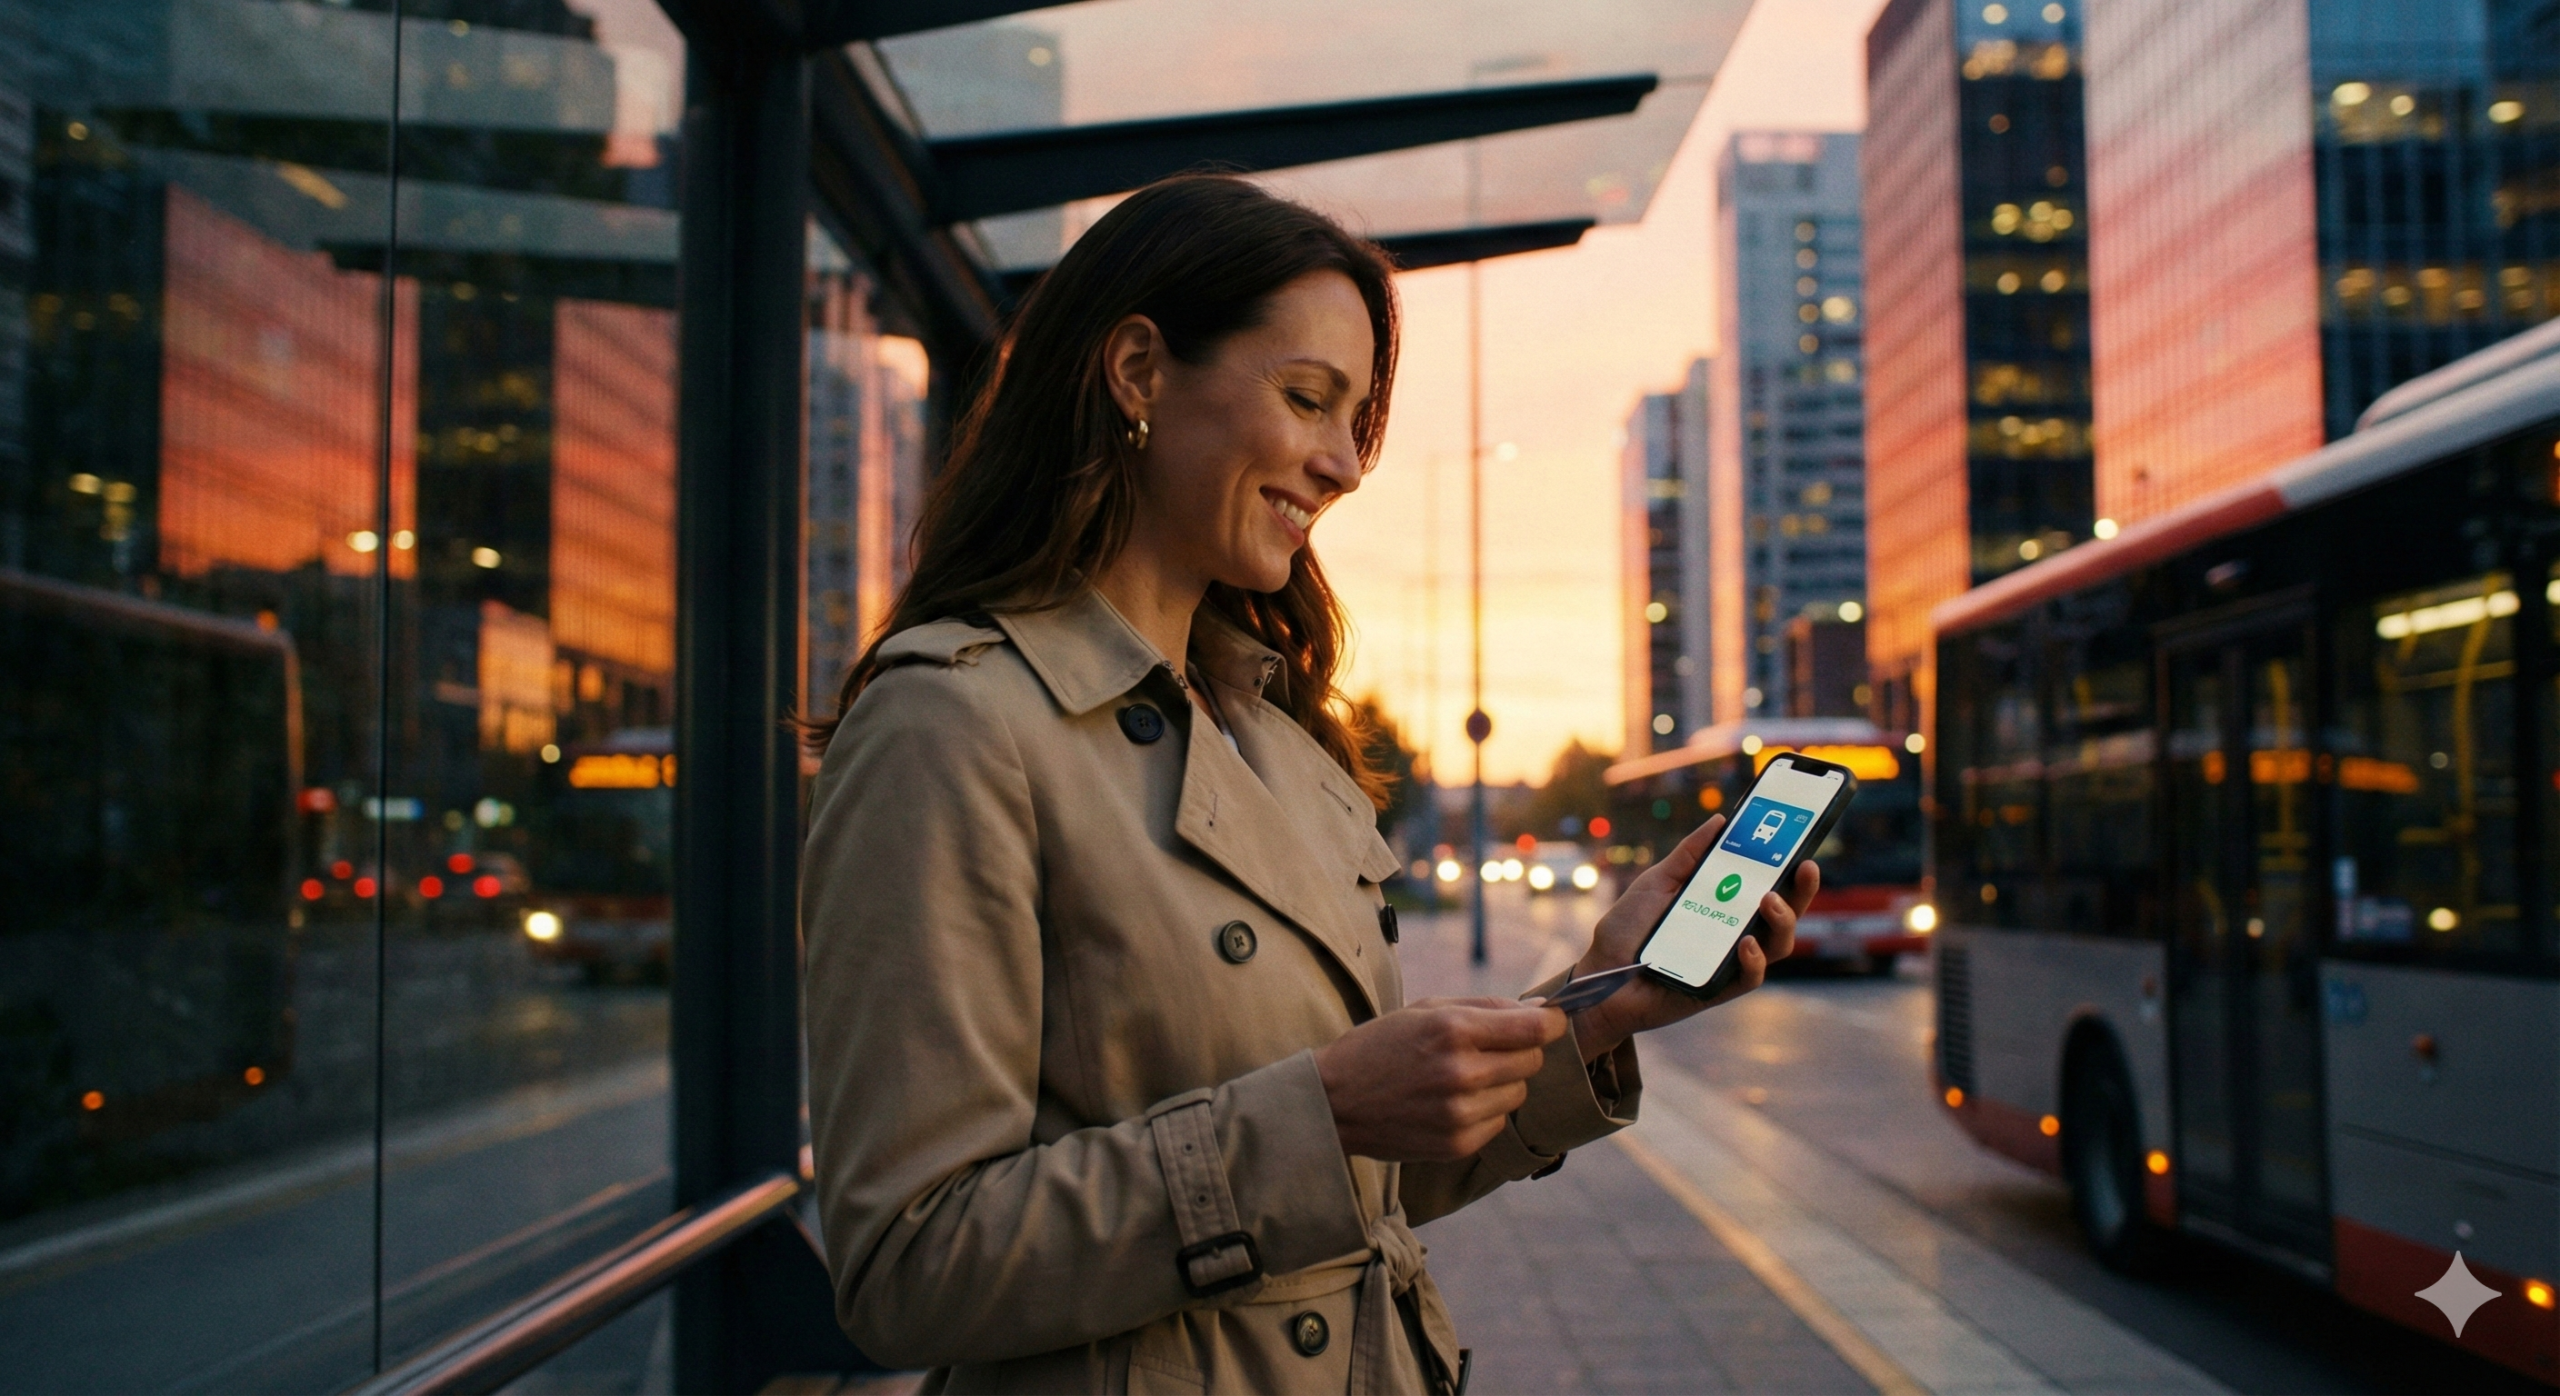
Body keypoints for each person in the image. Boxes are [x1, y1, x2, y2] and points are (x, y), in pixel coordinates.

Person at [799, 174, 1815, 1395]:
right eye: (1306, 400)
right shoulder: (951, 722)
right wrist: (1316, 1117)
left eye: (1356, 420)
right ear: (1137, 373)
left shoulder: (1274, 732)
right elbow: (907, 1266)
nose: (1342, 464)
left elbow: (1357, 1182)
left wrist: (1594, 1006)